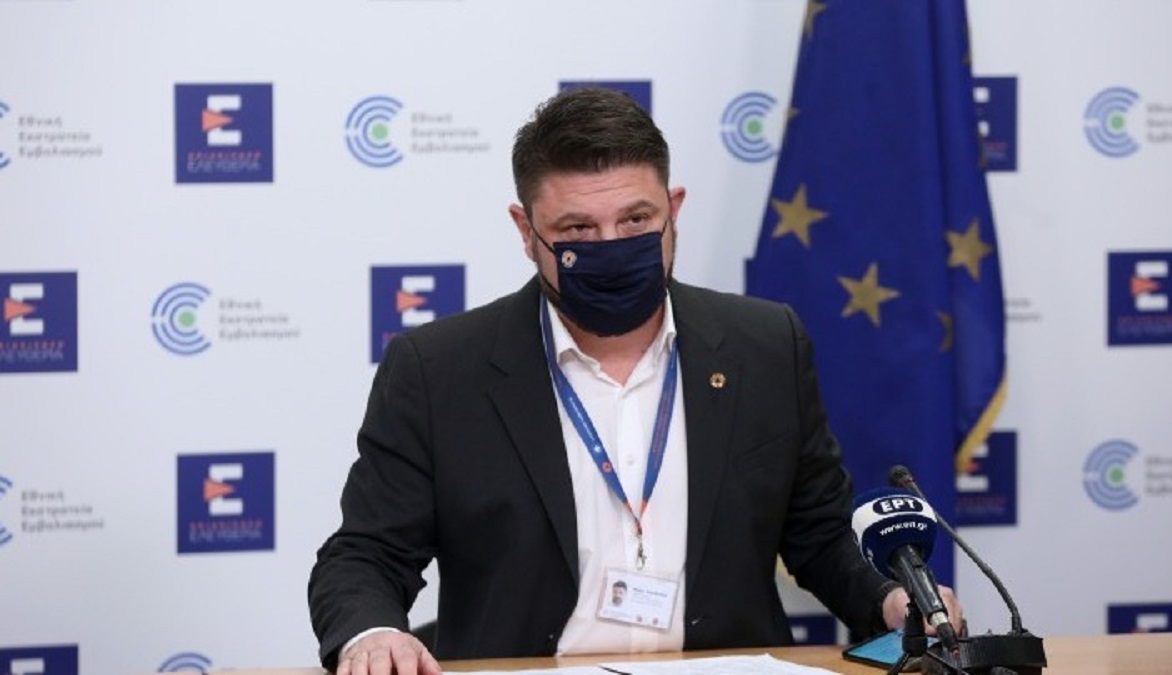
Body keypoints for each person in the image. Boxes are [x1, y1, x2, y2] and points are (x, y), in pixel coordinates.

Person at [308, 86, 963, 675]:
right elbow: (364, 555)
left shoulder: (766, 346)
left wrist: (889, 599)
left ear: (674, 209)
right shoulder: (439, 369)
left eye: (635, 221)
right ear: (526, 232)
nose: (611, 245)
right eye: (577, 230)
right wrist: (372, 632)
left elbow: (819, 537)